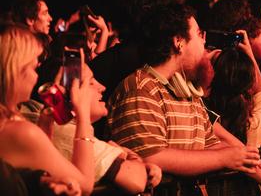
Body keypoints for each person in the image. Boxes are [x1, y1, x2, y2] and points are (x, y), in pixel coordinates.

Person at [106, 2, 261, 177]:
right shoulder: (141, 90)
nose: (204, 40)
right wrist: (223, 158)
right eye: (198, 34)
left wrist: (244, 156)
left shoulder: (189, 95)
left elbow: (210, 145)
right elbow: (151, 156)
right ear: (179, 42)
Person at [21, 61, 162, 194]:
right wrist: (133, 158)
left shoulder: (49, 123)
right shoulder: (66, 131)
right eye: (91, 82)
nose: (102, 87)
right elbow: (135, 180)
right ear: (68, 96)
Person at [0, 23, 95, 195]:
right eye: (33, 67)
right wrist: (83, 114)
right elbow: (85, 185)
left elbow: (32, 163)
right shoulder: (18, 131)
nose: (36, 76)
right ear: (13, 71)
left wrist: (47, 116)